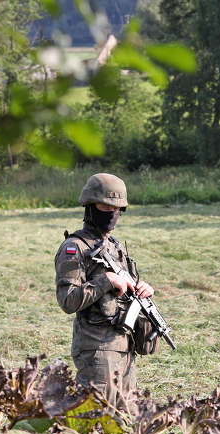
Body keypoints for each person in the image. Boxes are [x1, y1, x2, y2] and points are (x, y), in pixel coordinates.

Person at [54, 173, 156, 413]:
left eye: (117, 208)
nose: (111, 212)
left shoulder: (115, 247)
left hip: (124, 347)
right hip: (96, 351)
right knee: (95, 420)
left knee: (127, 421)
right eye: (104, 206)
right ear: (90, 206)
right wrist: (106, 280)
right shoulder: (74, 247)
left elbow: (128, 291)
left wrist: (144, 289)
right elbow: (68, 300)